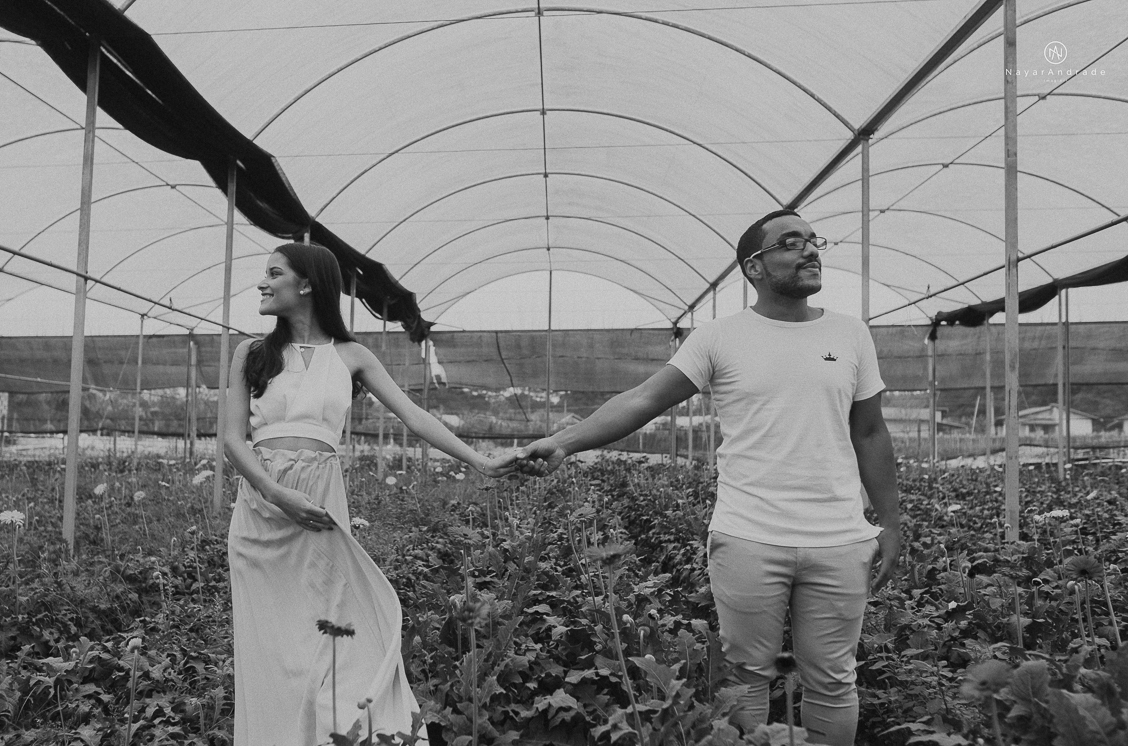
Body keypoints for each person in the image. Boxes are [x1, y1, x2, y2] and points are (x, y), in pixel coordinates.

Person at [514, 210, 900, 745]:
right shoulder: (719, 337)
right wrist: (562, 442)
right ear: (755, 268)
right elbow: (643, 399)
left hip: (839, 537)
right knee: (745, 676)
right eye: (792, 243)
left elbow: (872, 432)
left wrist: (892, 524)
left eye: (814, 241)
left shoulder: (850, 333)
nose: (811, 250)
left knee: (833, 680)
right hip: (748, 536)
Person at [223, 242, 515, 745]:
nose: (261, 283)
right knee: (268, 650)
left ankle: (350, 736)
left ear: (308, 284)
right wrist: (274, 492)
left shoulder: (352, 356)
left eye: (274, 273)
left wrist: (481, 461)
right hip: (263, 513)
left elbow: (415, 417)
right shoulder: (250, 353)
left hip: (318, 507)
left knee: (337, 634)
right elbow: (232, 439)